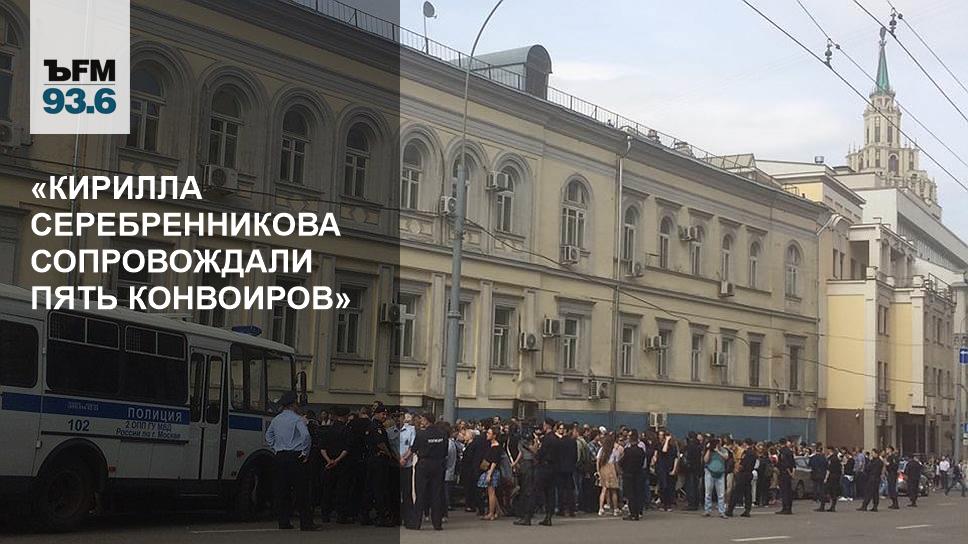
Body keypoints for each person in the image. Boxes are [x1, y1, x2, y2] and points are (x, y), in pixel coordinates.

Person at [264, 391, 316, 531]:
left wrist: (275, 447)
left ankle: (283, 521)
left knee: (282, 490)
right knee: (301, 490)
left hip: (280, 456)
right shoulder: (297, 419)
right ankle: (306, 523)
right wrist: (305, 452)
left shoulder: (276, 419)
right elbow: (306, 436)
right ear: (293, 405)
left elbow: (268, 436)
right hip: (295, 456)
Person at [408, 413, 448, 531]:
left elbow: (413, 449)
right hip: (438, 465)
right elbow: (445, 451)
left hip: (424, 465)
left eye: (422, 420)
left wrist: (404, 458)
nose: (421, 422)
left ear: (426, 420)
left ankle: (416, 523)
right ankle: (437, 523)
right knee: (436, 494)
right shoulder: (443, 434)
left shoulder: (421, 434)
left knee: (420, 494)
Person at [515, 418, 558, 526]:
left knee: (534, 491)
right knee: (550, 493)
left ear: (547, 425)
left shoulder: (546, 439)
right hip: (553, 468)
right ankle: (548, 517)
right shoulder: (556, 438)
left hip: (543, 468)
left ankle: (527, 517)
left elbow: (540, 453)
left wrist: (533, 450)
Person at [361, 405, 396, 526]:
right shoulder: (376, 427)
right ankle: (381, 517)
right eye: (382, 414)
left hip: (372, 460)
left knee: (370, 488)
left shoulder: (373, 425)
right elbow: (380, 443)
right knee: (379, 489)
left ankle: (365, 515)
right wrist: (389, 454)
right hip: (378, 460)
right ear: (376, 414)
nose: (384, 416)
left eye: (385, 414)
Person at [619, 430, 646, 521]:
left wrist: (623, 468)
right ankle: (638, 513)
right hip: (639, 474)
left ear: (630, 440)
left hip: (628, 474)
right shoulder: (641, 451)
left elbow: (621, 462)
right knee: (638, 493)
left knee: (630, 495)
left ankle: (632, 513)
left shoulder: (627, 451)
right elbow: (642, 462)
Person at [480, 427, 504, 521]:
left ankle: (491, 513)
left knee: (491, 492)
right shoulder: (492, 445)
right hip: (490, 470)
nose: (487, 434)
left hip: (492, 471)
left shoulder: (496, 447)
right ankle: (497, 510)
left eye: (489, 433)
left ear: (494, 435)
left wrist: (490, 474)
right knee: (491, 492)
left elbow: (494, 461)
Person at [397, 412, 417, 526]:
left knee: (406, 493)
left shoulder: (411, 430)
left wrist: (404, 459)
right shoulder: (390, 431)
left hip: (406, 465)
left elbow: (412, 447)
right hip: (395, 463)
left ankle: (408, 518)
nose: (397, 419)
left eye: (400, 416)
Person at [726, 438, 754, 518]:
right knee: (748, 493)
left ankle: (730, 510)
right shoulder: (753, 453)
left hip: (743, 474)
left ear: (745, 444)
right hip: (749, 473)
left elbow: (742, 464)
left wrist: (737, 469)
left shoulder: (746, 453)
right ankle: (747, 510)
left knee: (736, 492)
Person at [653, 430, 679, 511]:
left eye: (661, 435)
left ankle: (668, 505)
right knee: (662, 487)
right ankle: (663, 504)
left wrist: (674, 469)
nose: (660, 437)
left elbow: (675, 458)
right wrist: (654, 460)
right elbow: (658, 453)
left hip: (668, 468)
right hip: (661, 469)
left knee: (669, 487)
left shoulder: (672, 447)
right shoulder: (658, 445)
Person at [555, 422, 577, 517]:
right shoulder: (573, 442)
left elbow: (557, 456)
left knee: (560, 489)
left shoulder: (559, 442)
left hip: (560, 468)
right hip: (570, 468)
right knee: (570, 490)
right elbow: (575, 456)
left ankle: (561, 509)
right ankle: (571, 509)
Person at [703, 437, 728, 518]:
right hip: (709, 472)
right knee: (708, 493)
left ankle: (722, 511)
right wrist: (709, 449)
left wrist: (718, 451)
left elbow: (726, 457)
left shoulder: (723, 450)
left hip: (720, 473)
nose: (717, 444)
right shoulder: (709, 451)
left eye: (719, 442)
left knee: (721, 494)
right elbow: (705, 460)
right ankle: (707, 510)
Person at [597, 433, 621, 516]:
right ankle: (615, 509)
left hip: (603, 469)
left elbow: (598, 461)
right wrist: (618, 472)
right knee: (614, 490)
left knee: (604, 489)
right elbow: (616, 463)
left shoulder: (601, 450)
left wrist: (598, 471)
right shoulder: (614, 451)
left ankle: (601, 508)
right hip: (611, 469)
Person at [682, 431, 703, 511]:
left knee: (690, 486)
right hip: (697, 468)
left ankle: (691, 503)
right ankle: (696, 503)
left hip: (690, 468)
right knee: (696, 486)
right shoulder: (699, 446)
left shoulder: (689, 446)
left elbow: (686, 456)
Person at [818, 445, 841, 512]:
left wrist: (825, 478)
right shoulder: (836, 458)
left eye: (827, 450)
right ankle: (833, 507)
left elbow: (829, 469)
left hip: (831, 477)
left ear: (829, 450)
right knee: (833, 492)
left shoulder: (831, 459)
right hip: (836, 477)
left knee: (824, 491)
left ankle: (822, 507)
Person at [776, 437, 795, 515]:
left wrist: (789, 472)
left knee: (784, 491)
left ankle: (785, 508)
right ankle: (789, 508)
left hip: (784, 473)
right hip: (789, 473)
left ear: (780, 444)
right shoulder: (790, 451)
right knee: (789, 491)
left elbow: (785, 464)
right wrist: (792, 473)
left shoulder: (782, 452)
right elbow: (793, 463)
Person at [808, 443, 828, 508]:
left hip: (815, 474)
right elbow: (826, 466)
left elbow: (810, 465)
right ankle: (821, 498)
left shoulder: (812, 458)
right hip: (822, 474)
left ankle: (815, 498)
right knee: (821, 487)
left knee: (815, 486)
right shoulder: (824, 458)